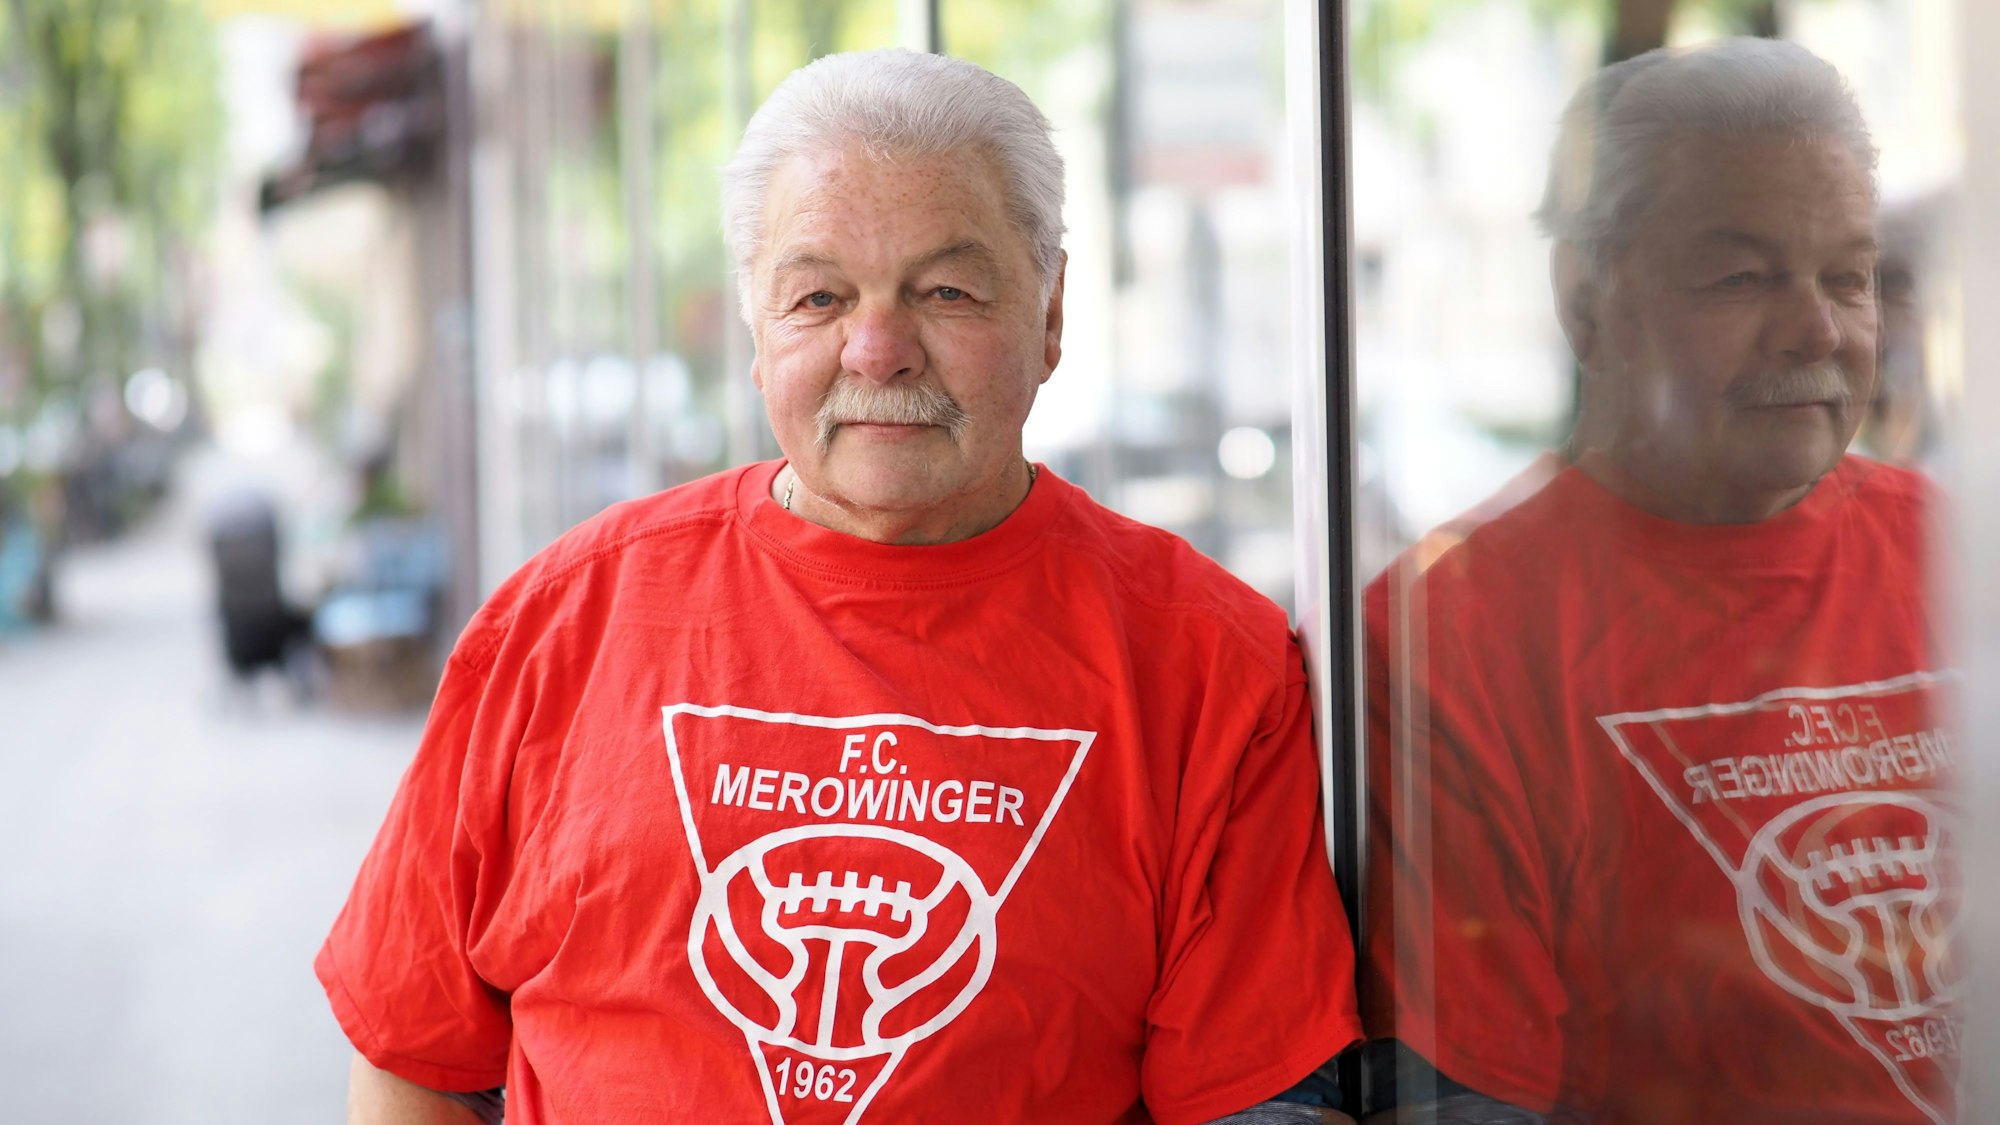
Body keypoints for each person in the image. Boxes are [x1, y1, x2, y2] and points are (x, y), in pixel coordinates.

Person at [319, 49, 1362, 1125]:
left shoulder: (1207, 663)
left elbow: (1257, 1101)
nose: (877, 349)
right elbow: (412, 1053)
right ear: (758, 334)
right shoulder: (556, 625)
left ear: (1049, 319)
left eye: (946, 290)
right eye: (819, 296)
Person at [1359, 39, 1955, 1124]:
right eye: (1739, 276)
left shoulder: (1965, 555)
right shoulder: (1442, 632)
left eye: (1847, 277)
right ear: (1586, 302)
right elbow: (1465, 1098)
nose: (1817, 327)